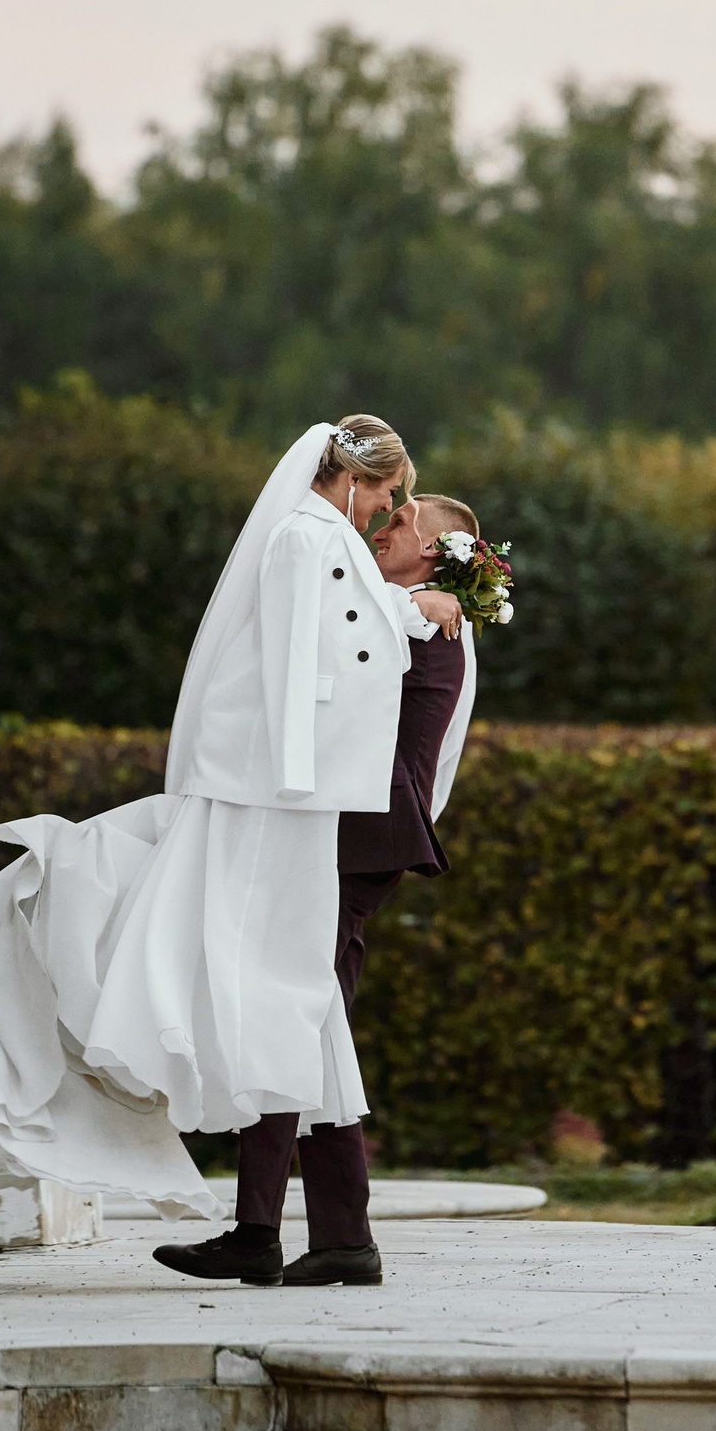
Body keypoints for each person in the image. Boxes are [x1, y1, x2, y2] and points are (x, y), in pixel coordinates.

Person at [0, 417, 462, 1231]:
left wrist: (416, 610)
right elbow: (312, 656)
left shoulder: (317, 539)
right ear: (352, 476)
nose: (386, 511)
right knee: (285, 996)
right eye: (386, 493)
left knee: (290, 998)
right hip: (288, 800)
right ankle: (311, 1233)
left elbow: (346, 637)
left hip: (301, 804)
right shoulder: (310, 538)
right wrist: (303, 775)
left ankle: (290, 1232)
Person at [152, 493, 482, 1288]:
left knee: (288, 1011)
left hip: (358, 839)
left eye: (403, 525)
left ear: (439, 556)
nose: (383, 525)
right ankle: (333, 1236)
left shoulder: (424, 622)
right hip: (355, 835)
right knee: (312, 1020)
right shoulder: (404, 608)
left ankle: (263, 1233)